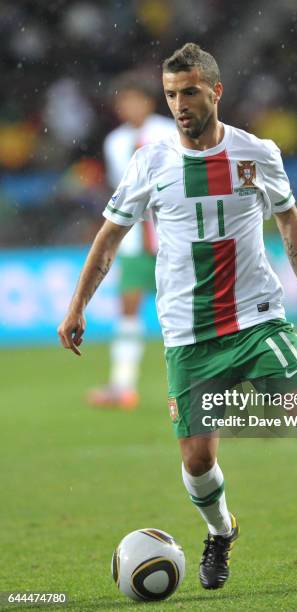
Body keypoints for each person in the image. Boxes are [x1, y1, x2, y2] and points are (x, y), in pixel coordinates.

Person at [58, 43, 297, 591]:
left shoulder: (257, 152)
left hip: (258, 319)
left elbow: (289, 217)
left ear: (215, 91)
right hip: (189, 335)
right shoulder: (151, 162)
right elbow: (108, 239)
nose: (179, 104)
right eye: (171, 94)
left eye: (189, 91)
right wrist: (78, 305)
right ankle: (221, 532)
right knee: (196, 461)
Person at [87, 72, 176, 410]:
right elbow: (120, 193)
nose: (129, 107)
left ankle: (216, 381)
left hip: (174, 238)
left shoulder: (169, 132)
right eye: (123, 101)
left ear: (148, 102)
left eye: (134, 99)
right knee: (128, 309)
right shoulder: (115, 142)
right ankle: (122, 385)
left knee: (195, 310)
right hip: (136, 241)